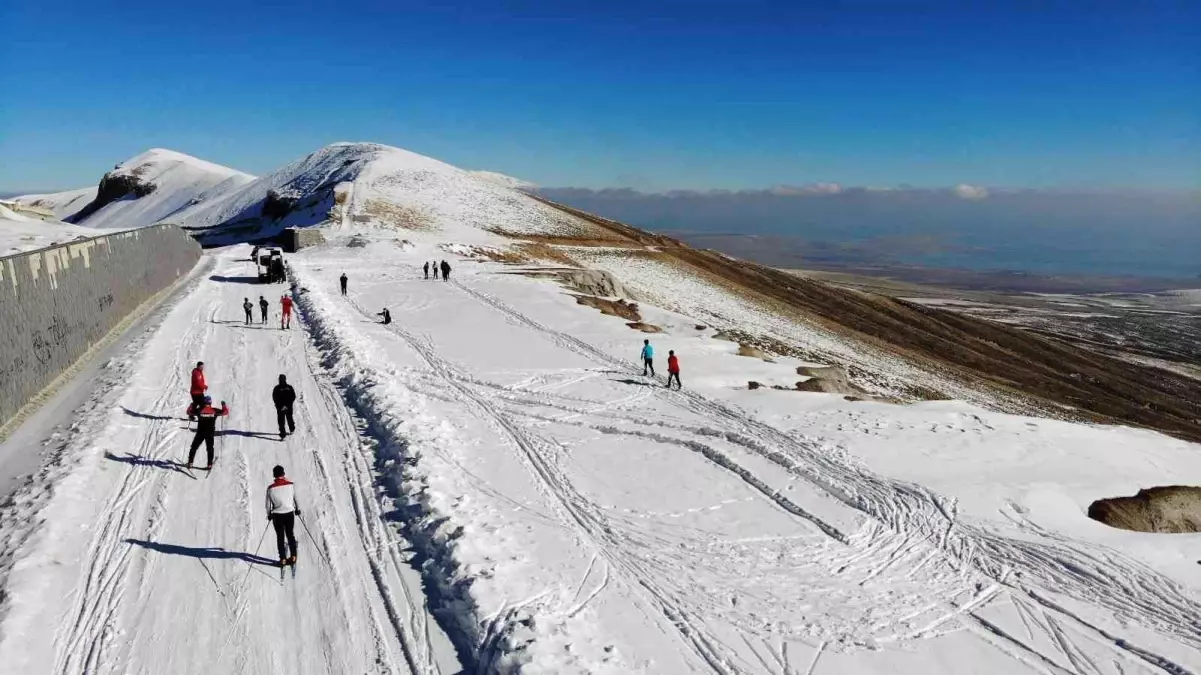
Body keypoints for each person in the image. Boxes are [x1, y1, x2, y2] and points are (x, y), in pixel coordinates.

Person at [266, 465, 300, 567]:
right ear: (283, 474)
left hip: (277, 516)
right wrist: (297, 509)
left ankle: (283, 560)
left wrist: (269, 514)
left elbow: (268, 505)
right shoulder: (291, 485)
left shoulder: (270, 489)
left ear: (274, 475)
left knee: (280, 537)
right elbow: (296, 498)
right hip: (289, 513)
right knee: (290, 534)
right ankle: (293, 556)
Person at [187, 395, 229, 470]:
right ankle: (209, 464)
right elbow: (225, 412)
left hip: (200, 432)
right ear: (210, 402)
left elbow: (189, 412)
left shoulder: (199, 410)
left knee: (194, 447)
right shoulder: (214, 410)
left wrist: (191, 406)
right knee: (210, 448)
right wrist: (223, 405)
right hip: (210, 433)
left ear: (204, 402)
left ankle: (190, 463)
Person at [272, 374, 296, 440]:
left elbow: (274, 398)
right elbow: (293, 396)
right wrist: (288, 404)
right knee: (288, 418)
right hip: (287, 407)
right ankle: (292, 429)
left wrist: (279, 405)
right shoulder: (289, 387)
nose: (280, 380)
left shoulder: (277, 388)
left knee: (281, 421)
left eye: (280, 379)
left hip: (281, 408)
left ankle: (283, 434)